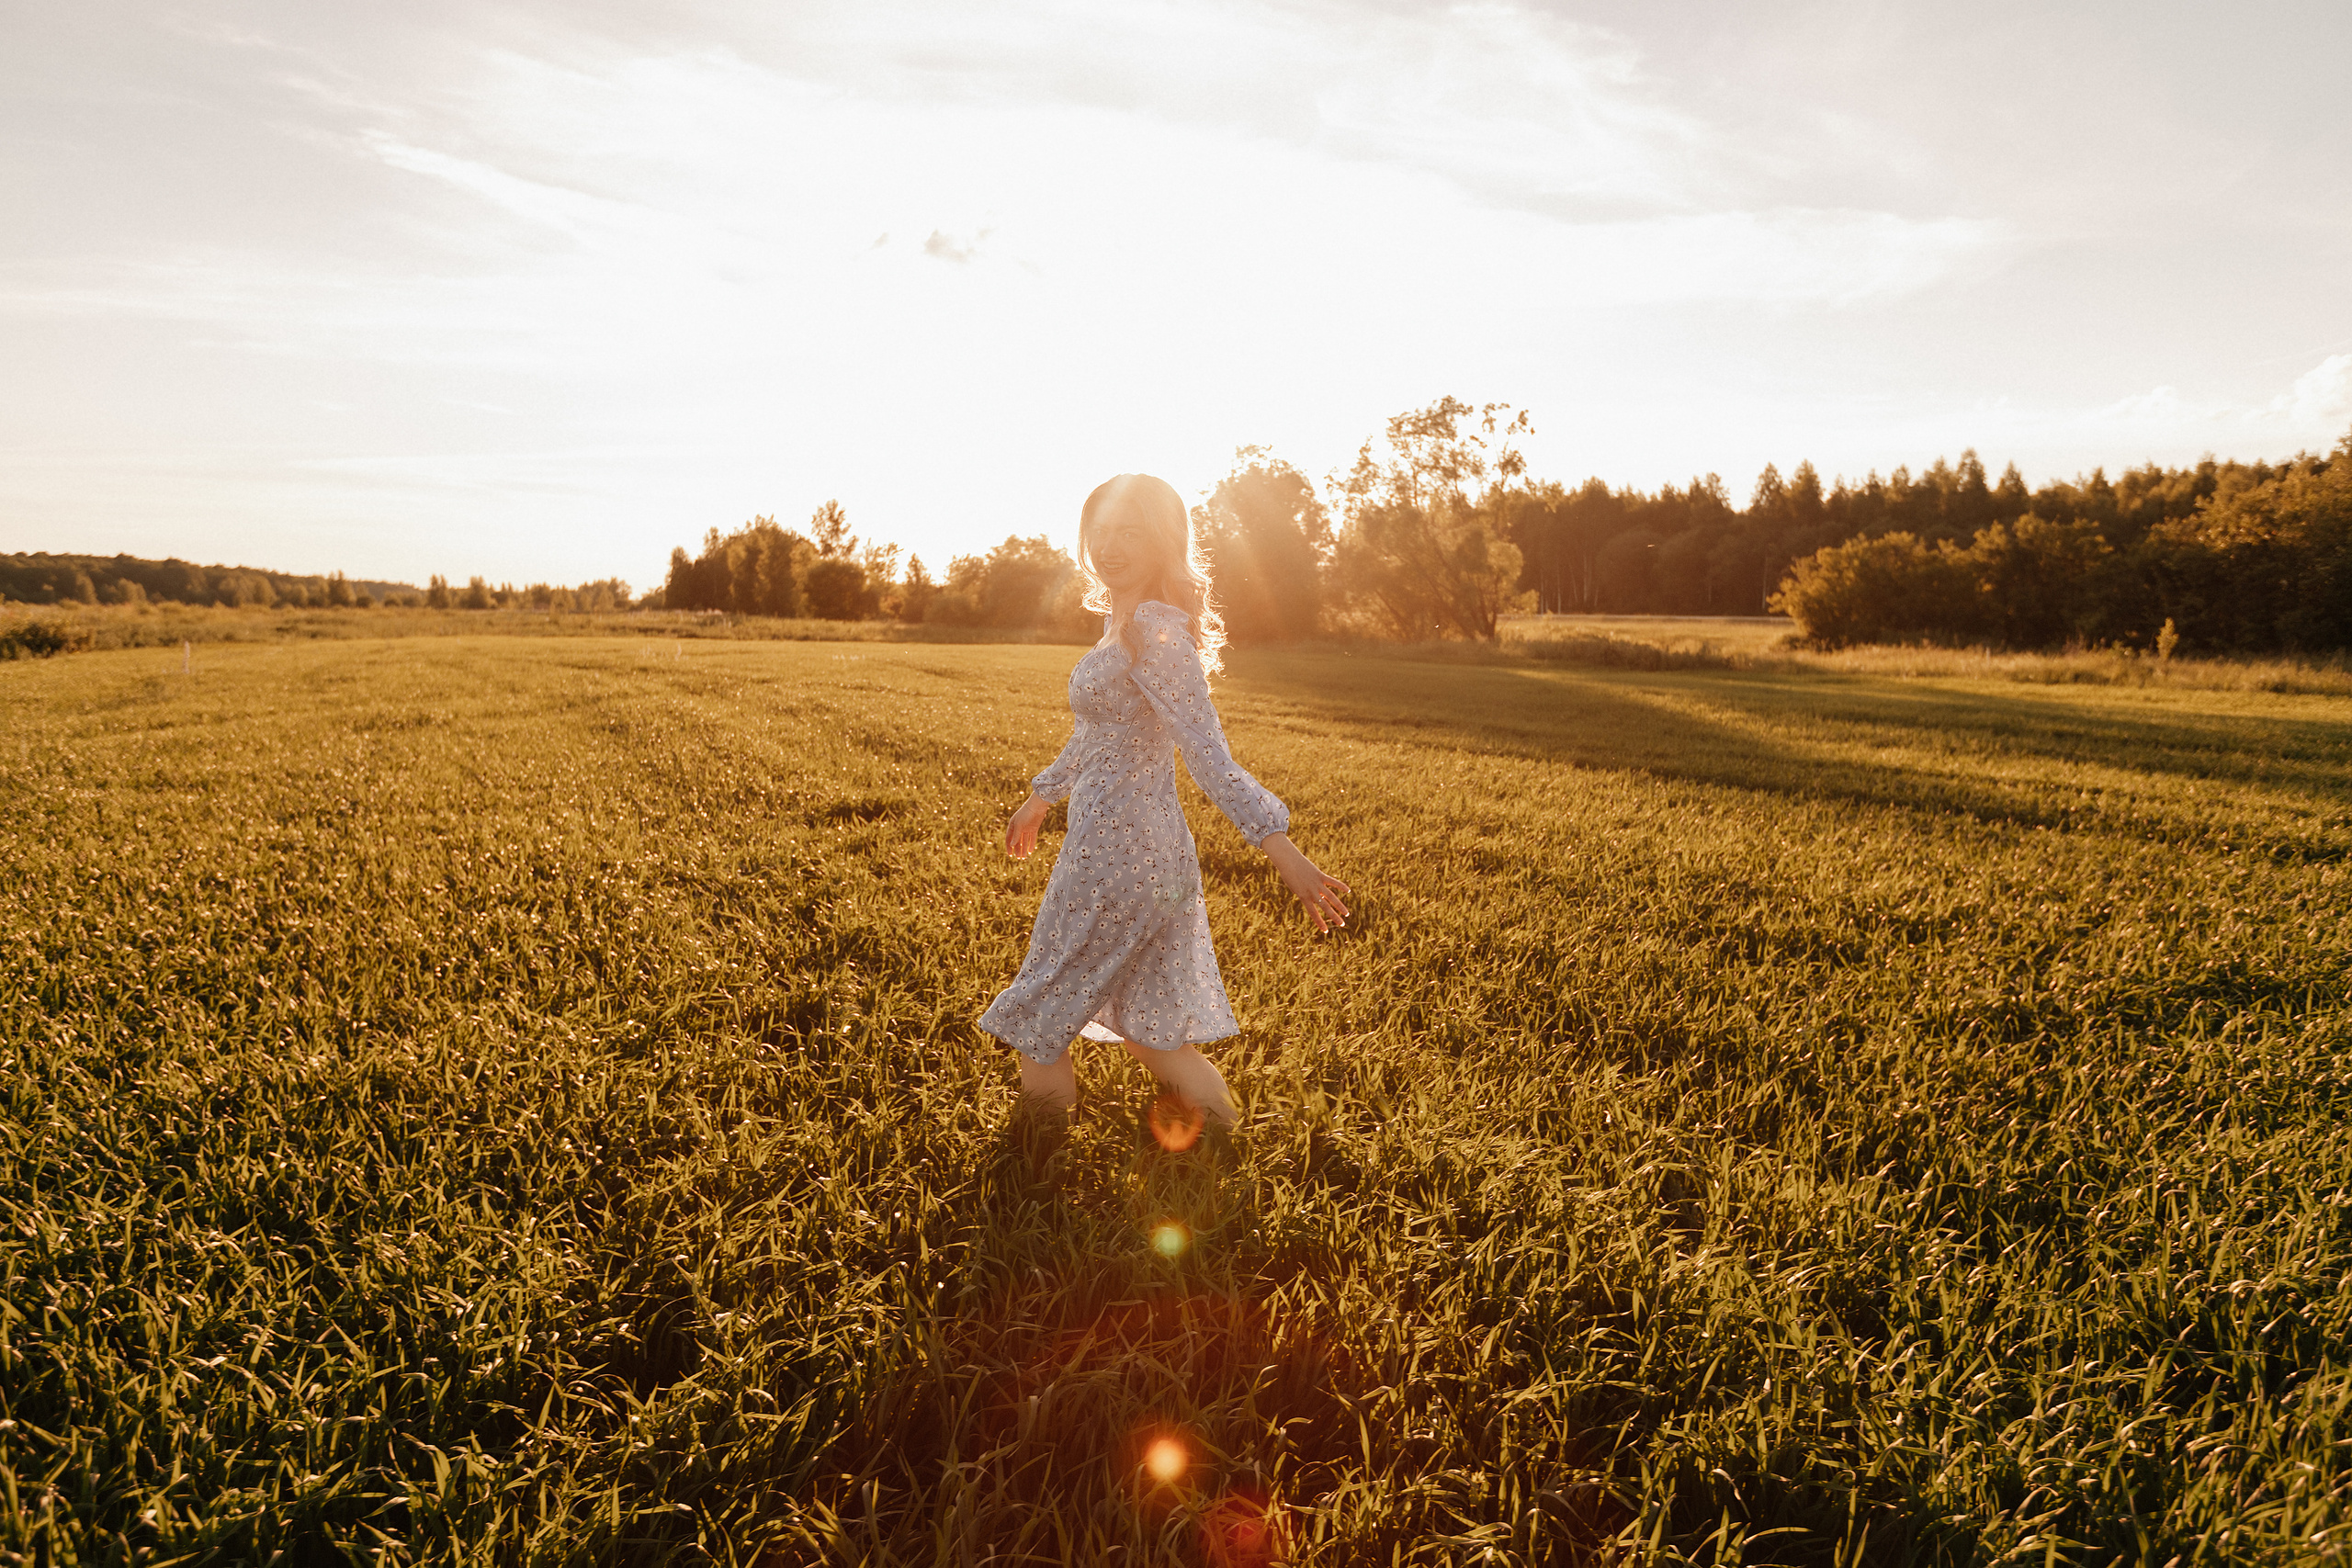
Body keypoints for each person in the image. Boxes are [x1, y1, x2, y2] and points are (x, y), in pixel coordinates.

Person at [978, 473, 1350, 1134]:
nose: (1111, 546)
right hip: (1128, 850)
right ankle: (1228, 1141)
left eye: (1131, 532)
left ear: (1162, 542)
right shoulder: (1121, 624)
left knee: (1040, 1011)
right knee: (1149, 1025)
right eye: (1102, 531)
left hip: (1121, 857)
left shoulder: (1157, 632)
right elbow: (1094, 733)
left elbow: (1209, 755)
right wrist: (1041, 797)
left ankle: (1035, 1161)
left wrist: (1283, 851)